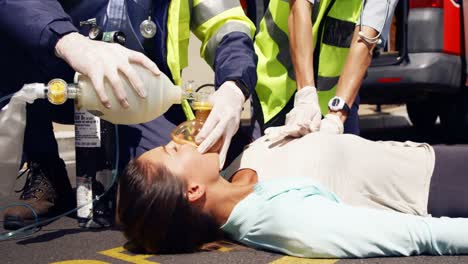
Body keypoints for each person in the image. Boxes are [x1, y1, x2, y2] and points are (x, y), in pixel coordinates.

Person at [0, 0, 257, 230]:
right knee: (12, 27)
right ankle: (46, 168)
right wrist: (69, 41)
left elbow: (227, 22)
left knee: (160, 187)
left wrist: (234, 85)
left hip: (140, 95)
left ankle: (108, 177)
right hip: (60, 77)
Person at [117, 132, 468, 257]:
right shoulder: (285, 219)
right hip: (437, 186)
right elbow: (420, 235)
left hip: (425, 158)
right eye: (173, 151)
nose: (181, 141)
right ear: (193, 190)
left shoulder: (236, 178)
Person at [242, 0, 397, 138]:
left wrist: (337, 116)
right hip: (278, 84)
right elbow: (299, 7)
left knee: (339, 163)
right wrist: (305, 96)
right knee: (268, 164)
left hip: (336, 93)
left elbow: (366, 40)